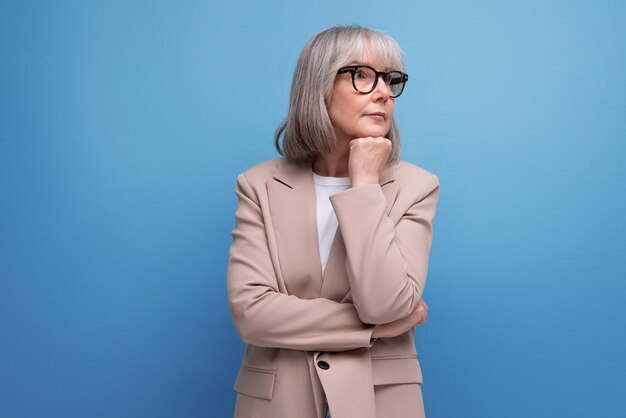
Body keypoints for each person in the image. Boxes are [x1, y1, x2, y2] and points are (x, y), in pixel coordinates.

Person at [226, 25, 440, 418]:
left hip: (381, 401)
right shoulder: (258, 184)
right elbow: (252, 313)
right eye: (362, 75)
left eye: (391, 79)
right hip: (278, 400)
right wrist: (373, 330)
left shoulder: (417, 186)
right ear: (318, 84)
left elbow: (385, 304)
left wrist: (364, 184)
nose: (383, 92)